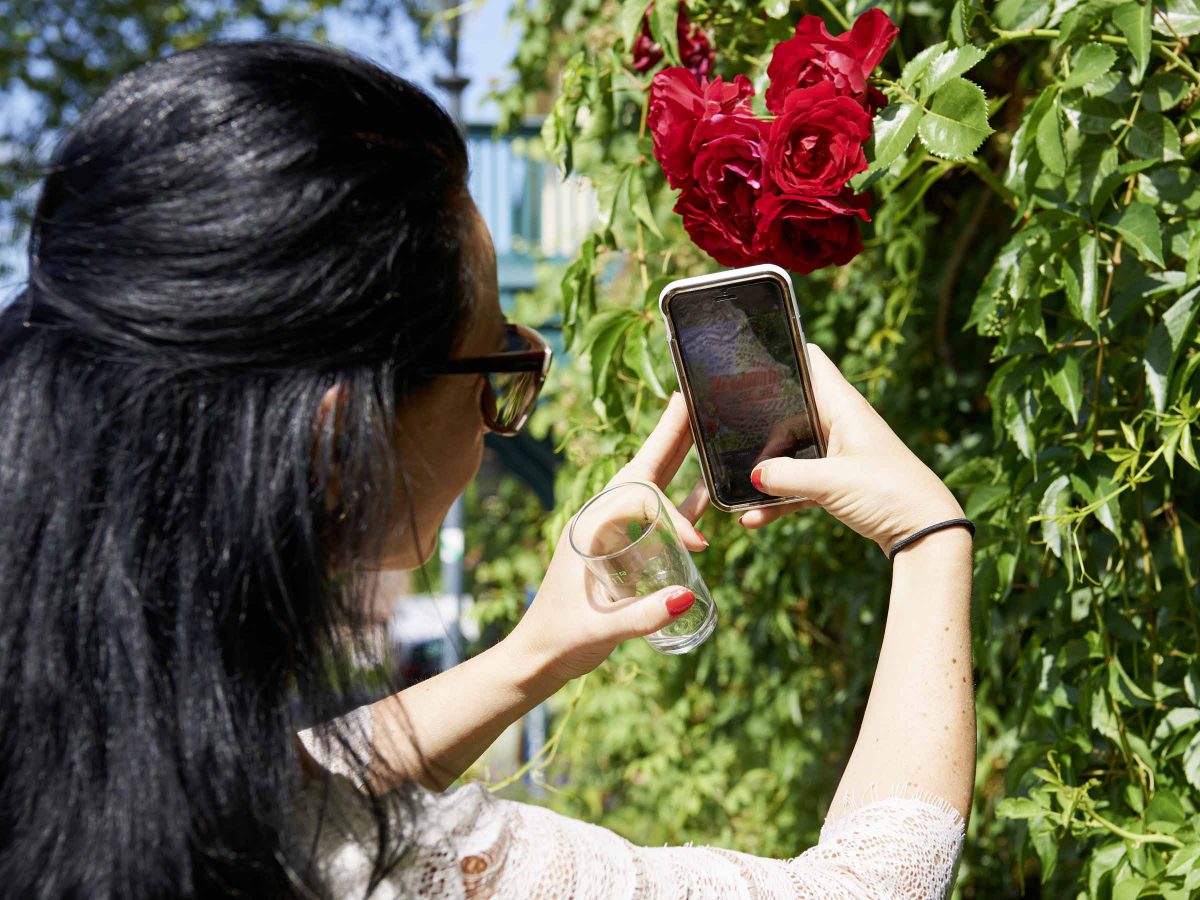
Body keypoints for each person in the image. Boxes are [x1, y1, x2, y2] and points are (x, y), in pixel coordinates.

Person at [0, 39, 974, 899]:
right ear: (341, 445)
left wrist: (531, 654)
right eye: (501, 365)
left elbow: (285, 781)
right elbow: (863, 885)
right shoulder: (398, 871)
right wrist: (928, 536)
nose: (507, 415)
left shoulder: (73, 752)